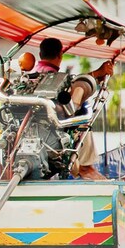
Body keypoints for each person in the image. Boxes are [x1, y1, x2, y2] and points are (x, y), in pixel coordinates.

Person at [33, 38, 113, 180]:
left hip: (35, 132)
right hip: (55, 132)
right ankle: (85, 168)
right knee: (83, 120)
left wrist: (96, 75)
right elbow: (76, 88)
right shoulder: (57, 79)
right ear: (60, 55)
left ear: (40, 55)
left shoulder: (31, 77)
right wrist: (98, 73)